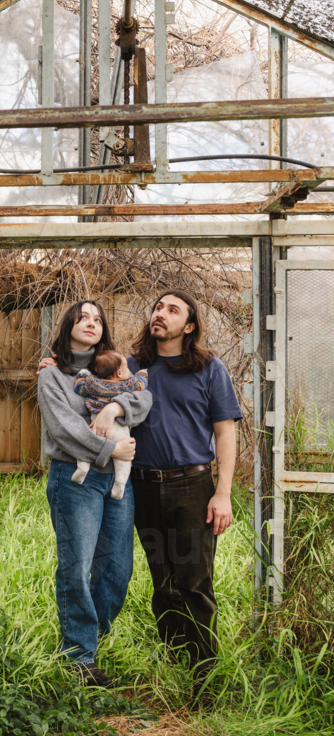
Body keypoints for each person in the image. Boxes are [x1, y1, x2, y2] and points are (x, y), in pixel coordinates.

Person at [127, 290, 242, 704]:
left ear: (188, 326)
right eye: (157, 307)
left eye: (172, 310)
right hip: (143, 487)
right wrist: (55, 366)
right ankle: (173, 663)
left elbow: (225, 431)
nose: (160, 313)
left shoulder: (209, 368)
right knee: (163, 582)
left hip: (193, 488)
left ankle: (206, 680)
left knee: (193, 581)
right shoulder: (133, 367)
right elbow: (90, 384)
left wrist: (223, 493)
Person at [37, 301, 153, 687]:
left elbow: (144, 398)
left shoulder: (119, 369)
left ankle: (92, 637)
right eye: (83, 317)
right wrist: (109, 450)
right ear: (67, 325)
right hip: (75, 479)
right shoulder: (52, 373)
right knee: (76, 566)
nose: (91, 323)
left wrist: (113, 408)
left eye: (98, 318)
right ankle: (78, 658)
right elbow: (62, 427)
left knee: (118, 569)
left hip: (116, 482)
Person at [72, 351, 148, 500]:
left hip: (96, 426)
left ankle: (82, 468)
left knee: (86, 449)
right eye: (127, 368)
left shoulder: (93, 383)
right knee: (124, 459)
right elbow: (141, 385)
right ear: (119, 373)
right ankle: (120, 483)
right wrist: (143, 373)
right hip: (119, 429)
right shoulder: (127, 384)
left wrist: (83, 373)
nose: (129, 372)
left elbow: (78, 387)